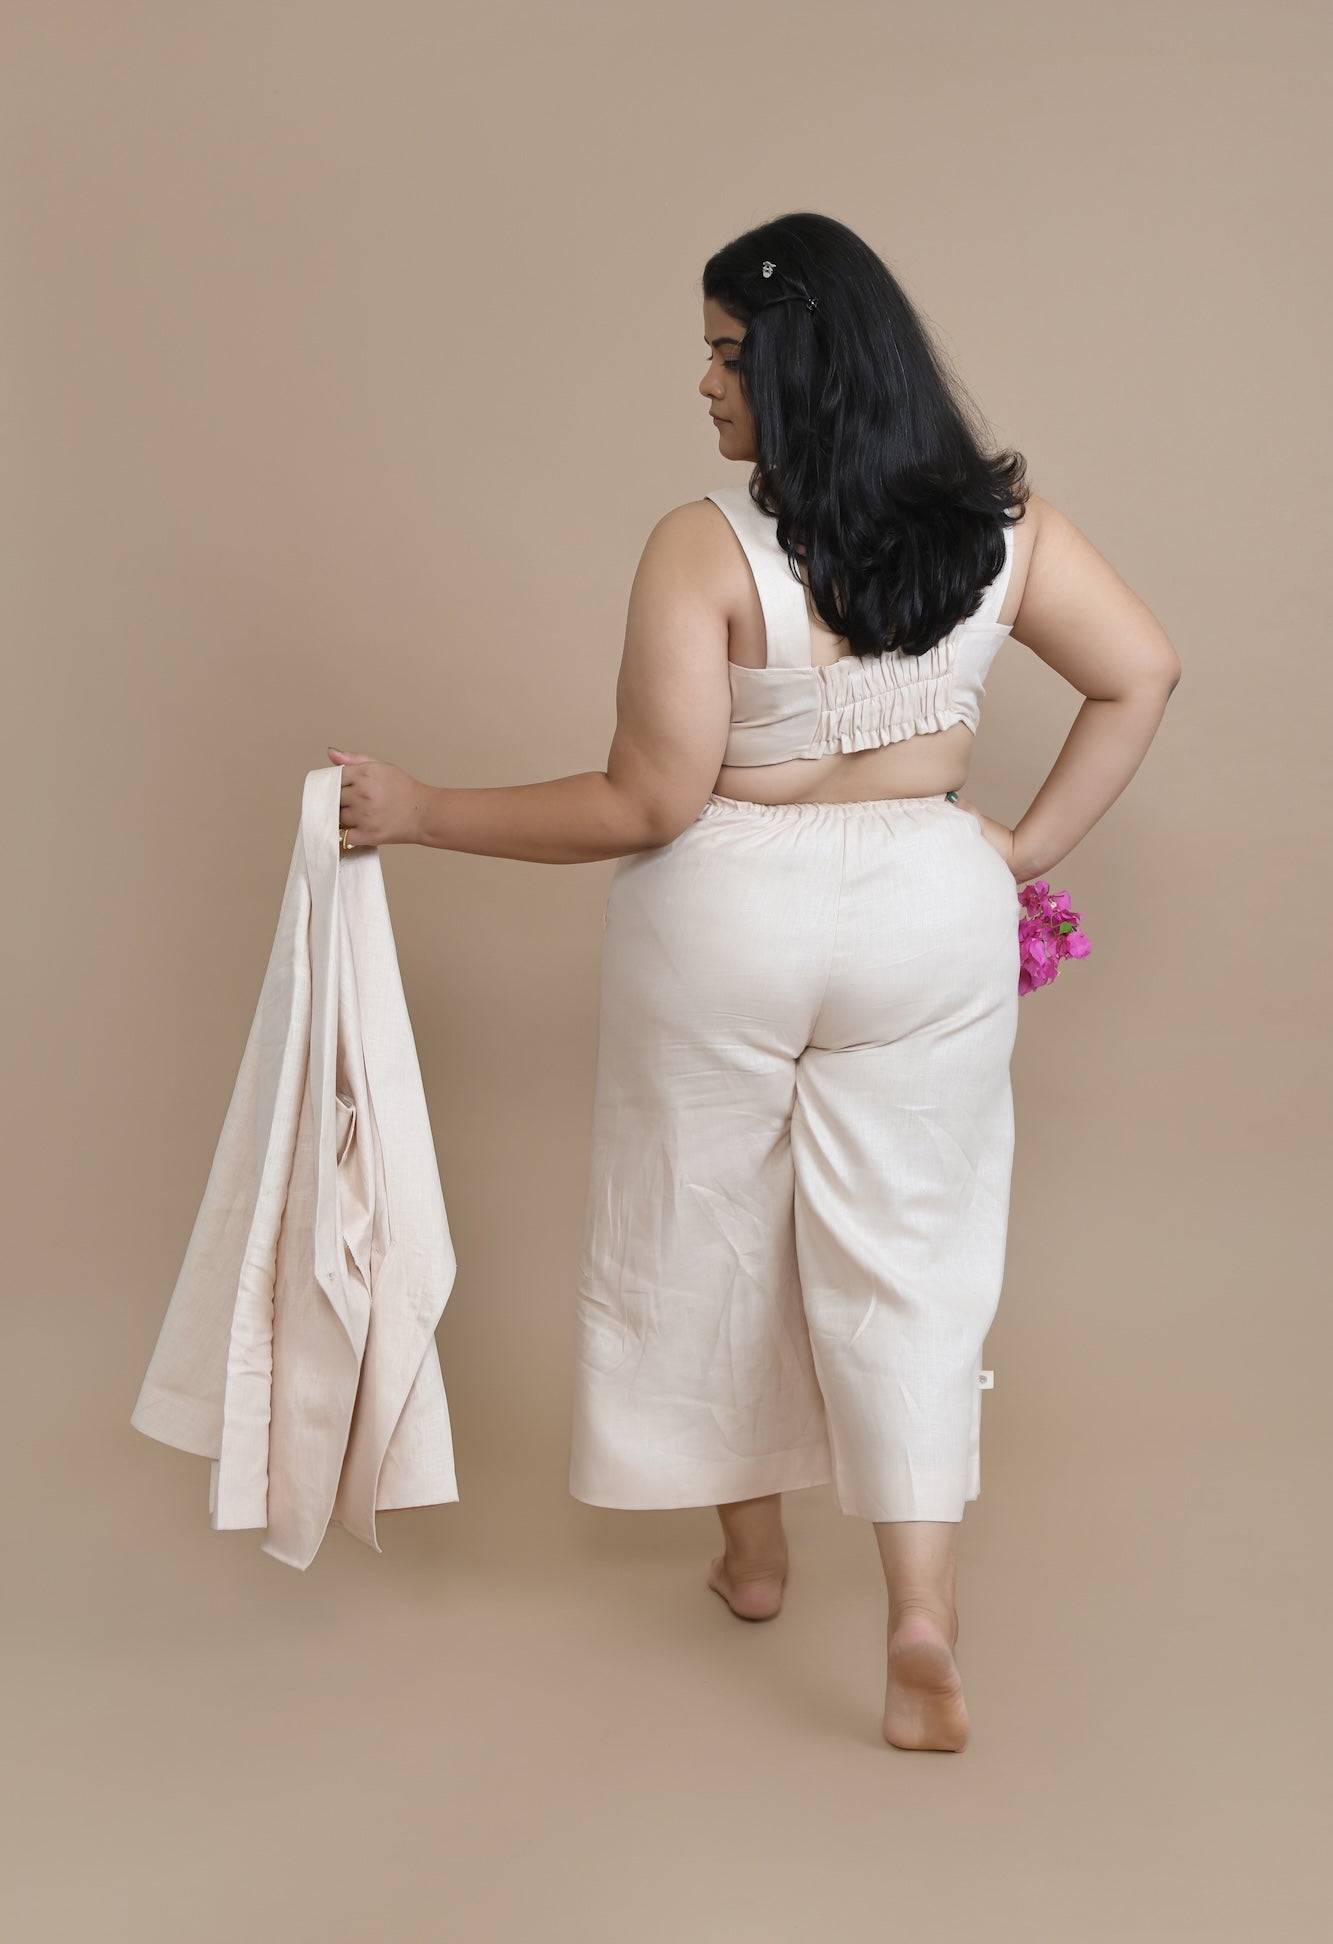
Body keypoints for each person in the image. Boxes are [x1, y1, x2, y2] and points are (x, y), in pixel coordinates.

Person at [326, 212, 1181, 1752]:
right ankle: (918, 1609)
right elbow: (1140, 671)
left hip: (727, 913)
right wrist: (1018, 849)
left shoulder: (702, 546)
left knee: (708, 1226)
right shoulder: (1006, 533)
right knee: (911, 1251)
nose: (705, 382)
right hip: (929, 906)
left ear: (803, 369)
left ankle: (753, 1558)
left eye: (728, 354)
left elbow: (645, 801)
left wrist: (425, 809)